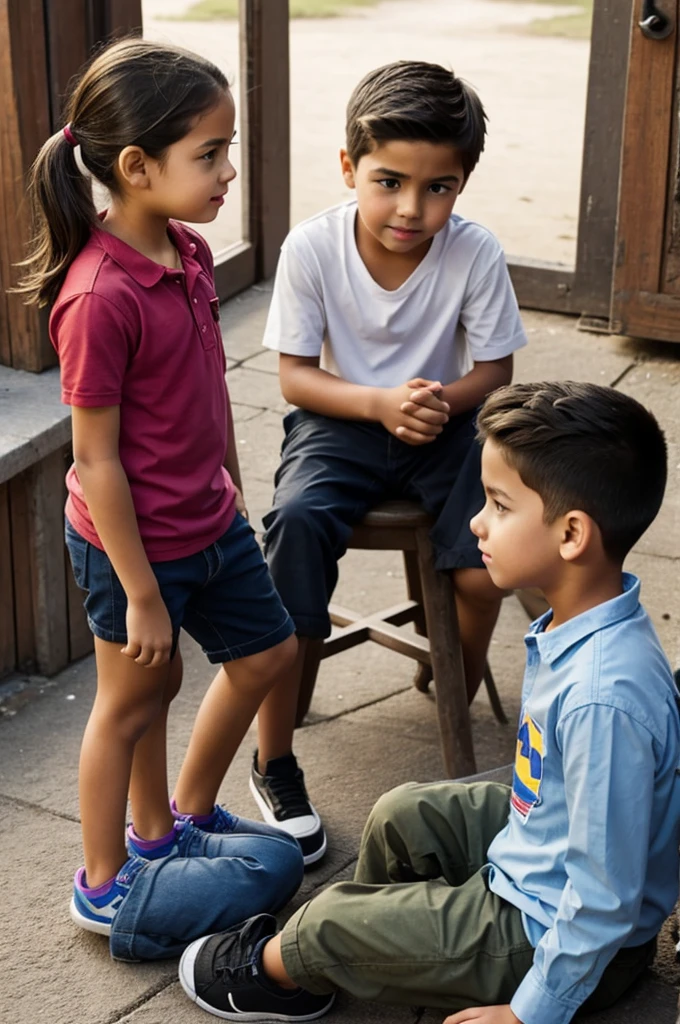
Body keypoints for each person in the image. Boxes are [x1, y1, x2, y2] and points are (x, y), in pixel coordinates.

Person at [178, 380, 680, 1024]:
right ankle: (405, 948)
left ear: (572, 534)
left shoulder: (602, 696)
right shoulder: (585, 623)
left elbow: (603, 897)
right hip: (541, 854)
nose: (476, 521)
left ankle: (295, 966)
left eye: (498, 504)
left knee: (324, 923)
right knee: (400, 812)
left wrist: (531, 1013)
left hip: (554, 937)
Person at [16, 37, 305, 938]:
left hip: (209, 520)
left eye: (229, 148)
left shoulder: (185, 248)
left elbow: (206, 386)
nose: (228, 172)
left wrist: (232, 481)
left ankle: (169, 824)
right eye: (209, 154)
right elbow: (95, 459)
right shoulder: (98, 296)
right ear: (136, 167)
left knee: (266, 654)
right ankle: (106, 883)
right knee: (134, 699)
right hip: (128, 544)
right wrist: (141, 591)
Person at [252, 60, 527, 858]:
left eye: (438, 187)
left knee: (481, 568)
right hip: (340, 417)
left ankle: (456, 682)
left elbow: (497, 371)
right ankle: (273, 755)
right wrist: (376, 402)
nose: (412, 208)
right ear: (349, 168)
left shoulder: (474, 254)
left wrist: (439, 398)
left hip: (448, 419)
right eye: (389, 181)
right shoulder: (312, 247)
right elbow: (296, 376)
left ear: (463, 182)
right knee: (297, 528)